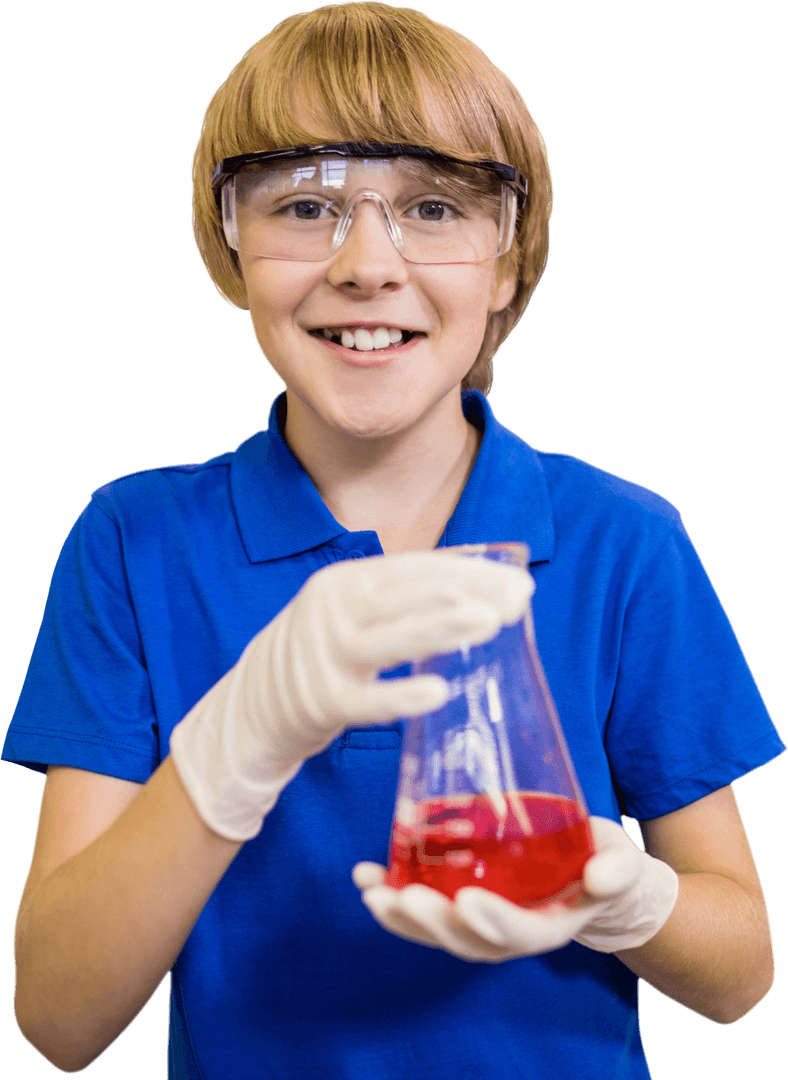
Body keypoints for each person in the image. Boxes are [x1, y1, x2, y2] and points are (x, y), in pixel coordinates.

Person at [4, 3, 783, 1078]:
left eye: (429, 206)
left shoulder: (622, 544)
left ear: (507, 265)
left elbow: (741, 978)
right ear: (229, 253)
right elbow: (56, 1015)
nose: (367, 263)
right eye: (304, 204)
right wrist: (238, 741)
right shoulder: (134, 544)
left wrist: (623, 895)